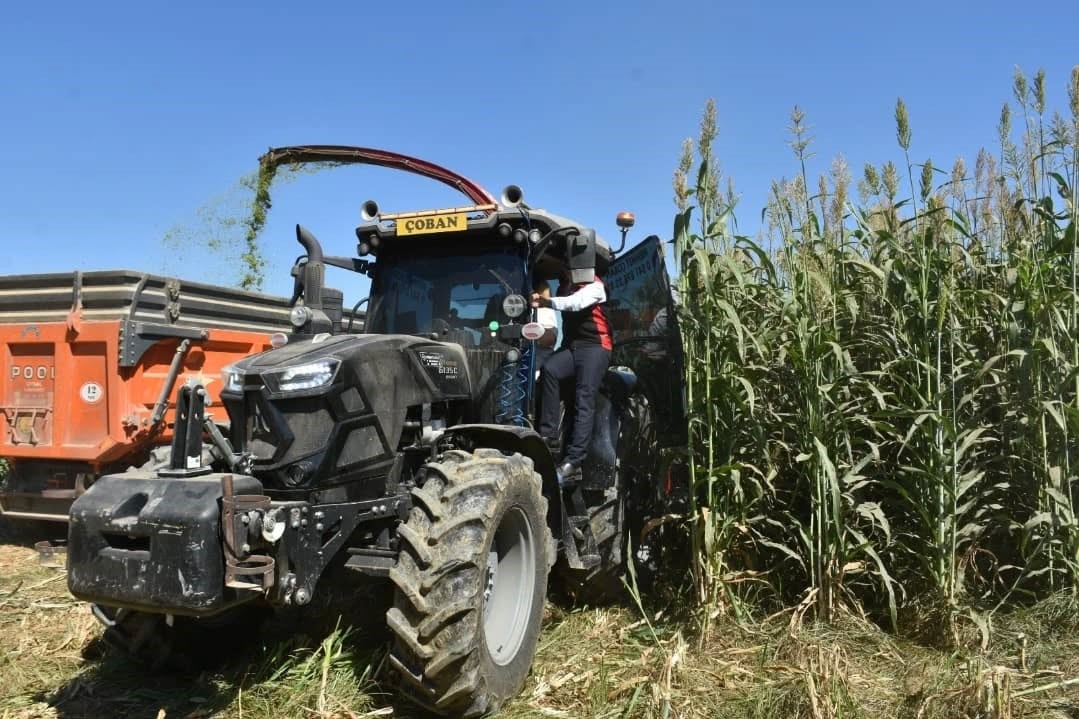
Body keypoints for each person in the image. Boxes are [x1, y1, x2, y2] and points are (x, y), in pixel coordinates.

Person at [531, 268, 612, 487]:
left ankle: (574, 461)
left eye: (568, 266)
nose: (565, 271)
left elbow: (575, 303)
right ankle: (548, 437)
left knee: (584, 398)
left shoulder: (595, 286)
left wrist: (547, 302)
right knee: (550, 369)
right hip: (573, 347)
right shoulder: (564, 287)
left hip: (595, 347)